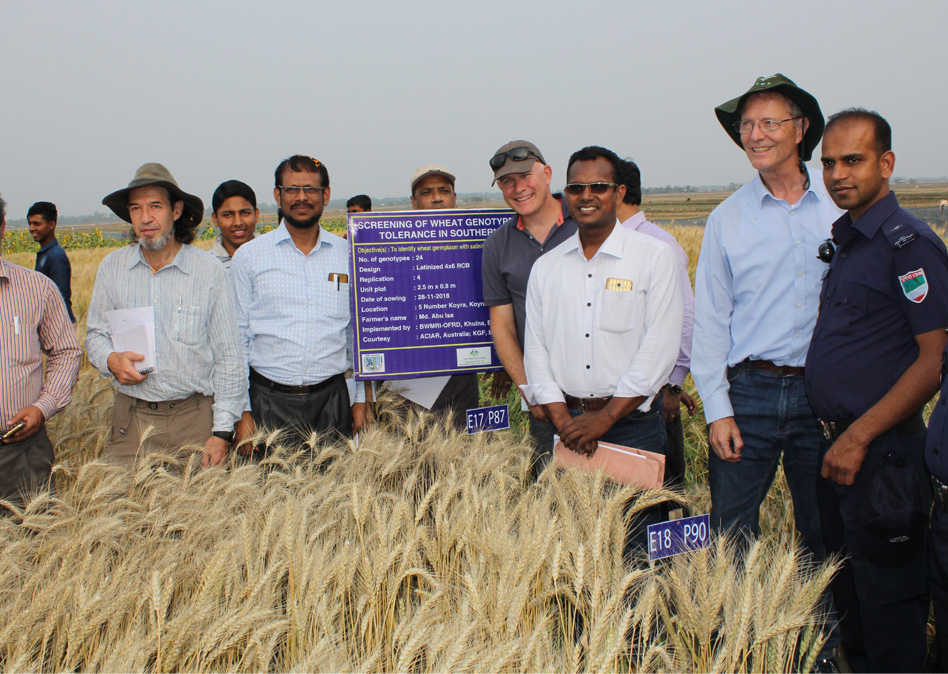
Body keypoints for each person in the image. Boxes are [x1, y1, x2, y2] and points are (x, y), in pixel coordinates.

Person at [807, 109, 948, 673]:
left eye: (854, 160)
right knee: (852, 600)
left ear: (886, 164)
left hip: (882, 455)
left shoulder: (906, 245)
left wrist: (859, 436)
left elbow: (934, 358)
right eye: (829, 163)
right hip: (842, 450)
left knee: (890, 605)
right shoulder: (849, 242)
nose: (839, 173)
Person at [692, 75, 841, 549]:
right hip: (749, 392)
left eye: (769, 123)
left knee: (826, 530)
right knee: (732, 534)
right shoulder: (727, 219)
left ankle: (829, 624)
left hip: (823, 390)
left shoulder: (841, 205)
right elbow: (711, 321)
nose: (754, 135)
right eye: (746, 125)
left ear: (800, 129)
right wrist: (718, 411)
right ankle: (739, 624)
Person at [522, 145, 682, 463]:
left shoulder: (654, 256)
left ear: (619, 193)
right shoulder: (546, 266)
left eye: (599, 187)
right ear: (565, 195)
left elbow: (659, 348)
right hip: (564, 424)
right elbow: (536, 350)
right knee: (564, 514)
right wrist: (565, 422)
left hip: (633, 425)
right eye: (576, 188)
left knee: (637, 515)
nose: (586, 196)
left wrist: (605, 418)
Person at [86, 163, 247, 468]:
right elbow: (95, 335)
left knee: (199, 513)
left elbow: (229, 357)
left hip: (194, 419)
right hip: (132, 420)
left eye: (155, 206)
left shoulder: (208, 272)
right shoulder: (112, 268)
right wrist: (110, 360)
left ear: (176, 211)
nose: (145, 218)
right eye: (136, 208)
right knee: (122, 511)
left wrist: (222, 431)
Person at [231, 155, 365, 448]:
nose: (301, 197)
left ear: (325, 195)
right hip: (267, 401)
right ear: (278, 195)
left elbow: (356, 333)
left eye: (310, 189)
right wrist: (242, 410)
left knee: (335, 491)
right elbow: (237, 340)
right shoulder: (250, 257)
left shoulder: (348, 255)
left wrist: (361, 399)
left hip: (333, 401)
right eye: (292, 189)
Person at [481, 140, 577, 475]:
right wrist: (531, 392)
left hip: (605, 399)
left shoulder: (587, 224)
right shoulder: (497, 245)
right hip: (544, 403)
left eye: (525, 175)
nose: (518, 188)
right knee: (549, 502)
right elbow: (503, 326)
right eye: (507, 181)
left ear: (548, 174)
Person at [616, 158, 696, 491]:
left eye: (596, 187)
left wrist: (673, 386)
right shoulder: (600, 244)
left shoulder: (658, 244)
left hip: (654, 394)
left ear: (617, 193)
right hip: (615, 394)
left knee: (661, 491)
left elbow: (686, 318)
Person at [384, 165, 479, 432]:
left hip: (461, 377)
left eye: (444, 190)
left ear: (454, 198)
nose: (437, 197)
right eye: (427, 192)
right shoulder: (392, 249)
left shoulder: (479, 246)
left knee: (460, 459)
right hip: (407, 382)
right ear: (414, 202)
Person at [0, 193, 81, 507]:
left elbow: (65, 351)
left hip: (21, 454)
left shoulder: (36, 288)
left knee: (34, 543)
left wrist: (43, 407)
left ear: (3, 226)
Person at [28, 201, 76, 323]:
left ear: (51, 225)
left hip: (58, 325)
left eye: (36, 224)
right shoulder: (46, 253)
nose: (31, 228)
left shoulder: (55, 256)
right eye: (30, 223)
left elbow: (61, 295)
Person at [210, 180, 258, 271]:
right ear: (215, 219)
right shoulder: (204, 264)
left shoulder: (276, 256)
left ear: (256, 215)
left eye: (245, 213)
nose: (238, 222)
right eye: (228, 215)